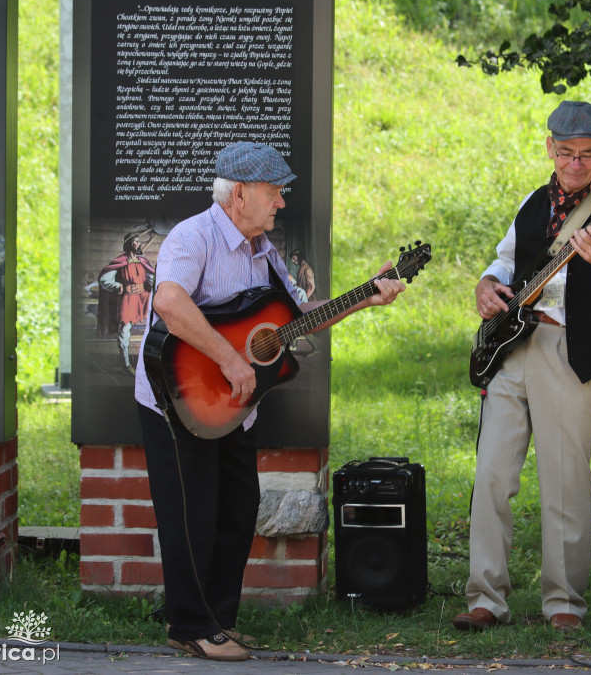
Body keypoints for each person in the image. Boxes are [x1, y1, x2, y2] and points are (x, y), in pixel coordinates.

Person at [133, 142, 406, 661]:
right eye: (274, 192)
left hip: (236, 405)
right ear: (240, 194)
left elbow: (297, 317)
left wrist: (366, 296)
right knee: (192, 511)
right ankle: (189, 624)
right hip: (178, 396)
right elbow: (169, 302)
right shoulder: (194, 237)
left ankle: (218, 621)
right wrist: (231, 359)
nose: (281, 202)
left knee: (238, 508)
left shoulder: (263, 249)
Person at [453, 101, 591, 632]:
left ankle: (563, 603)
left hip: (570, 349)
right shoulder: (532, 202)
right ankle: (485, 597)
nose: (575, 163)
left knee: (565, 480)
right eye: (566, 152)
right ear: (550, 148)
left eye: (587, 154)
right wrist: (484, 286)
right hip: (512, 347)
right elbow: (504, 262)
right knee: (492, 474)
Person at [98, 232, 155, 374]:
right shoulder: (120, 262)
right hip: (128, 300)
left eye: (139, 241)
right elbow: (104, 280)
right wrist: (121, 287)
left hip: (144, 299)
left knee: (153, 328)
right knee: (124, 332)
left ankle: (152, 365)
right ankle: (127, 366)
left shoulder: (143, 262)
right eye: (136, 241)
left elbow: (154, 280)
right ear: (130, 244)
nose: (139, 244)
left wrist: (145, 286)